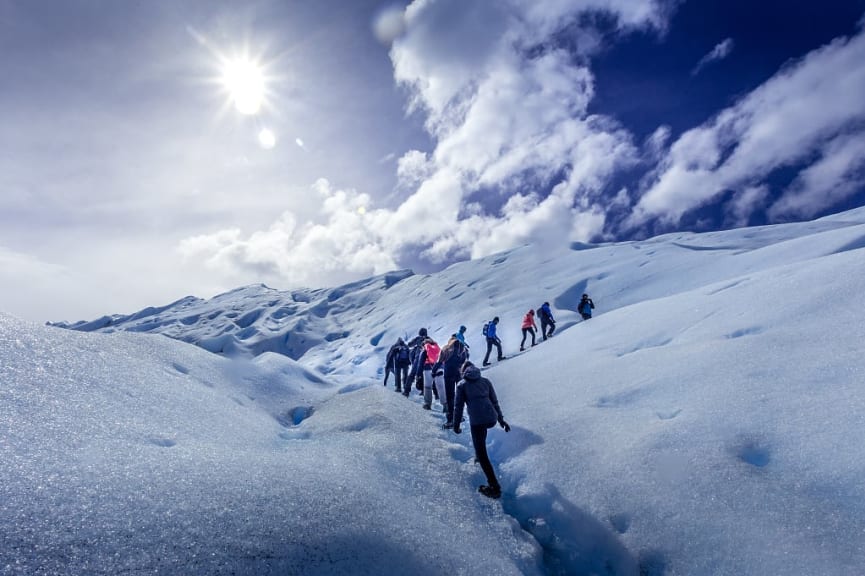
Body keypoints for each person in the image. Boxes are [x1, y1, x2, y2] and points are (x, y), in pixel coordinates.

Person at [453, 361, 510, 499]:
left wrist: (456, 425)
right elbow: (494, 401)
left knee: (482, 453)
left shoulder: (462, 385)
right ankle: (479, 456)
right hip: (491, 418)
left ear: (463, 371)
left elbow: (458, 407)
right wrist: (501, 420)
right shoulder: (485, 381)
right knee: (481, 439)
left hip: (477, 420)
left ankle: (494, 487)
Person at [440, 335, 469, 428]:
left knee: (450, 396)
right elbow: (465, 358)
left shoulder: (446, 348)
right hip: (458, 373)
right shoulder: (462, 347)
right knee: (459, 395)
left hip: (448, 374)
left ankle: (450, 420)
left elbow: (440, 361)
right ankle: (459, 417)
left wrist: (433, 371)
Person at [419, 337, 445, 410]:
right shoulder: (437, 347)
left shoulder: (425, 349)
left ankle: (427, 404)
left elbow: (420, 363)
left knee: (427, 386)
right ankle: (445, 405)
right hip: (439, 368)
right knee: (441, 387)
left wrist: (418, 374)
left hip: (428, 368)